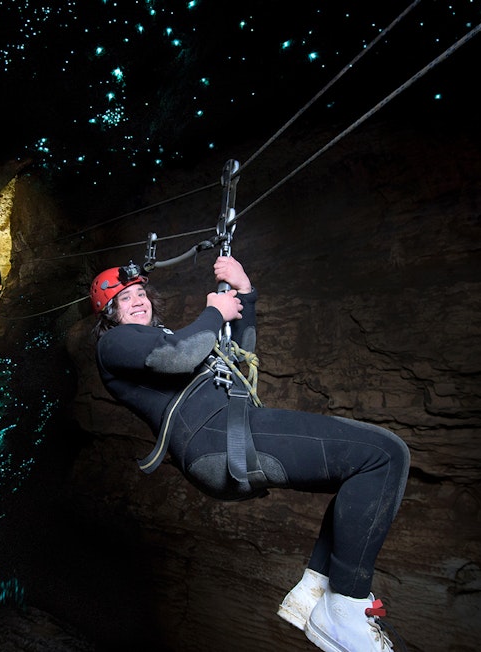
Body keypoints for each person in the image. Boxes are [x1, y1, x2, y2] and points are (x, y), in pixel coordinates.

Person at [90, 256, 410, 652]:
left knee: (364, 467)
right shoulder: (114, 343)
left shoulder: (159, 337)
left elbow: (239, 357)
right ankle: (345, 605)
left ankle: (317, 590)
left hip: (227, 433)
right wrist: (213, 311)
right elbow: (178, 355)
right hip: (217, 436)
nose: (138, 301)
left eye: (141, 293)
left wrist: (245, 293)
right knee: (384, 455)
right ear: (108, 314)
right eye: (124, 299)